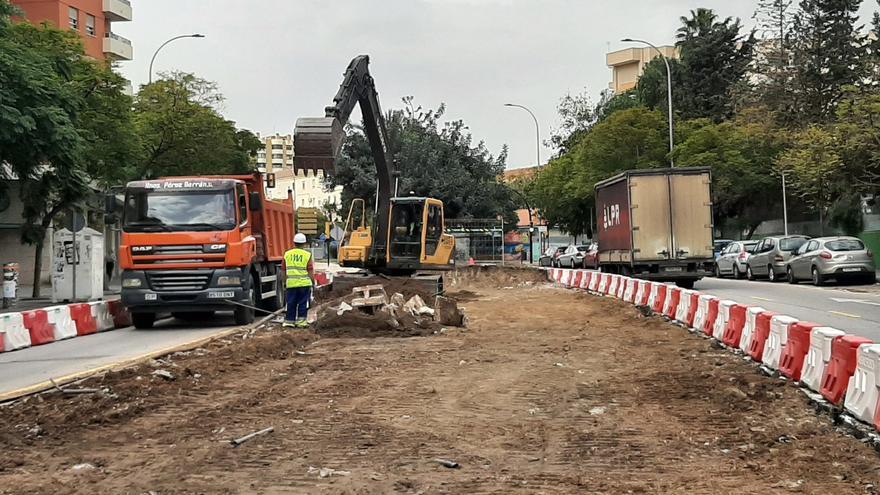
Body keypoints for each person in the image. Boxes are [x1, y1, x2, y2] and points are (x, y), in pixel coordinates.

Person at [282, 233, 315, 328]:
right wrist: (313, 282)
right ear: (304, 244)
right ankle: (301, 322)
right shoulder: (307, 255)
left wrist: (284, 282)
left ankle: (289, 321)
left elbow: (283, 270)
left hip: (291, 284)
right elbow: (310, 271)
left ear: (294, 243)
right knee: (303, 303)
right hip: (304, 284)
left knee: (291, 302)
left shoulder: (287, 254)